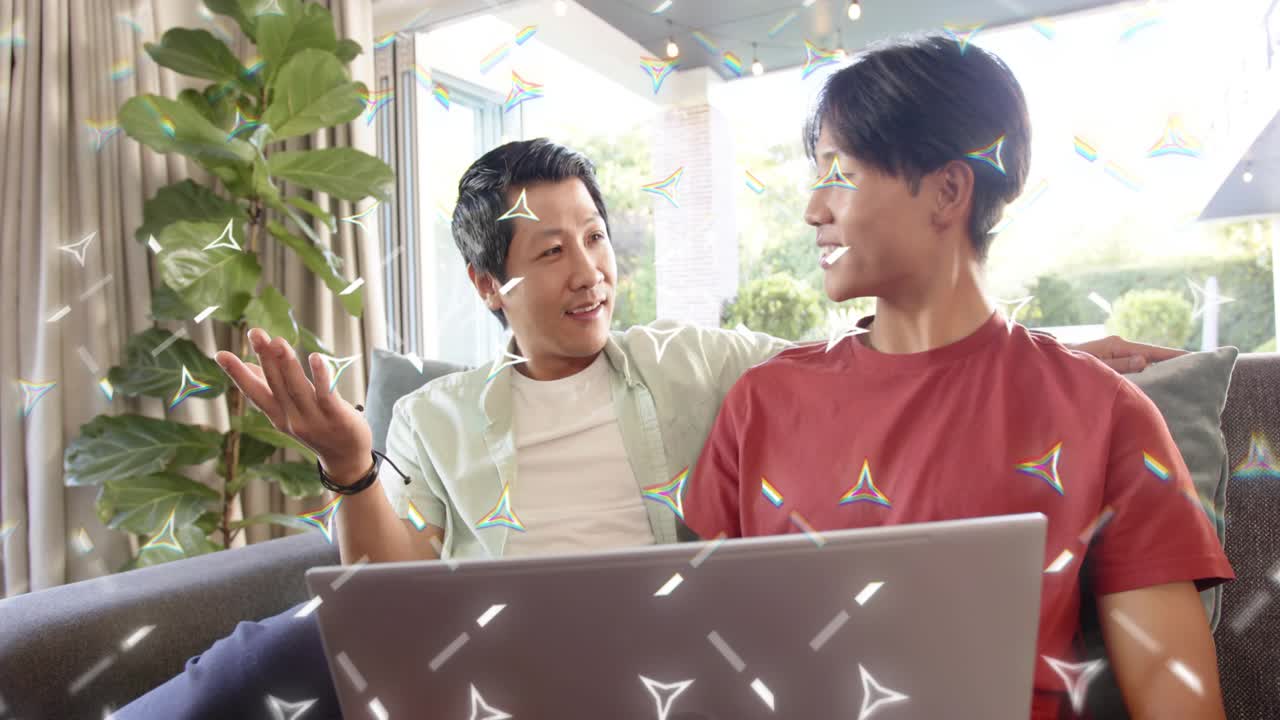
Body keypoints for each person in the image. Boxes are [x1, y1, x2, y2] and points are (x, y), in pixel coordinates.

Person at [116, 135, 1182, 719]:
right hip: (490, 671)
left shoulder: (696, 359)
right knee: (277, 647)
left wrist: (1045, 348)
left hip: (652, 668)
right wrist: (353, 470)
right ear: (488, 285)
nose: (588, 273)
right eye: (549, 255)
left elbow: (875, 363)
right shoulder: (438, 415)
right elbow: (391, 600)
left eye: (594, 238)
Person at [680, 34, 1232, 720]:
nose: (812, 209)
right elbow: (694, 664)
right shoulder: (760, 402)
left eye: (838, 173)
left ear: (947, 190)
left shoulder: (1106, 414)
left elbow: (1179, 707)